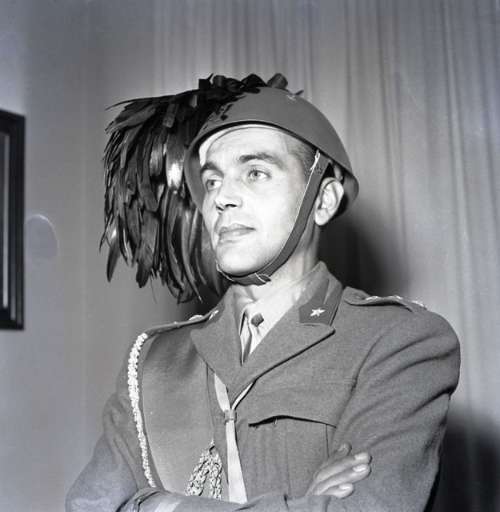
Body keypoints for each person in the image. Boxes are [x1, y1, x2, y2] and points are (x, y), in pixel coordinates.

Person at [67, 74, 460, 512]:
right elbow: (88, 506)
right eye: (212, 181)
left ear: (323, 200)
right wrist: (304, 504)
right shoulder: (153, 361)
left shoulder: (397, 341)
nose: (222, 198)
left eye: (255, 172)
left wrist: (160, 506)